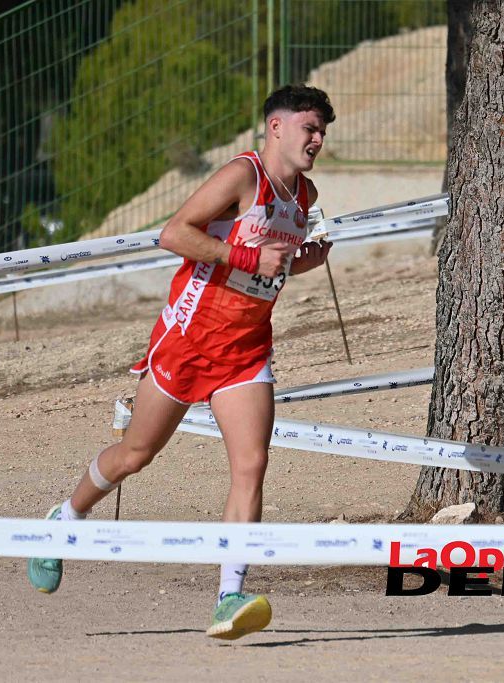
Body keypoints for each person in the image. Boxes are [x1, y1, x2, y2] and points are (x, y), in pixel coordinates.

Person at [27, 85, 335, 641]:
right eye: (310, 127)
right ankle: (65, 520)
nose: (317, 139)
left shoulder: (305, 195)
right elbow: (174, 234)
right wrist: (248, 255)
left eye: (322, 132)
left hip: (245, 350)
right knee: (134, 455)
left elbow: (271, 269)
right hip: (188, 341)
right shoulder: (243, 175)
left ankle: (229, 596)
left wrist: (303, 260)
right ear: (276, 127)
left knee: (251, 464)